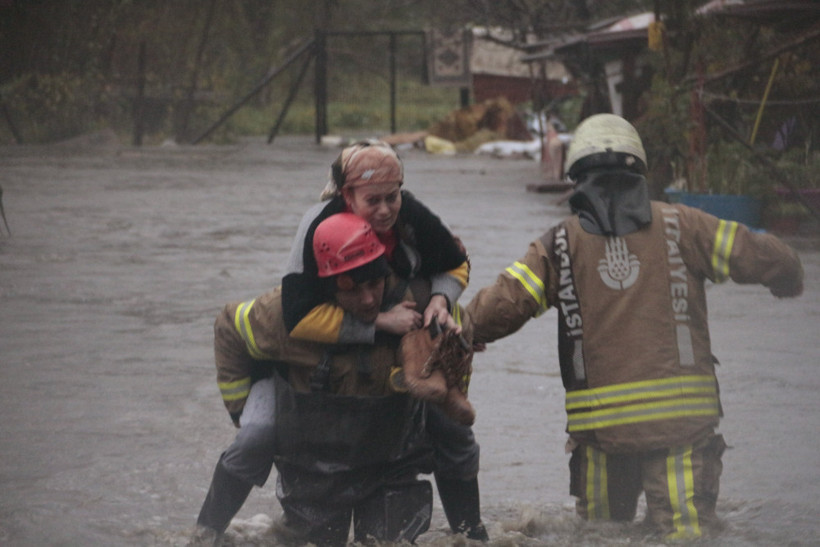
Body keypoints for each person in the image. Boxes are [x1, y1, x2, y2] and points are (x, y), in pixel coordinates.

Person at [462, 113, 804, 540]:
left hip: (601, 434)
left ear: (576, 177)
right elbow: (763, 256)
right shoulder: (686, 225)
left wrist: (456, 331)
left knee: (602, 535)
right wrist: (790, 277)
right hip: (681, 429)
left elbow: (501, 305)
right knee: (686, 536)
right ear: (639, 171)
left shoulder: (558, 245)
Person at [192, 213, 445, 546]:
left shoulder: (417, 305)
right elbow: (229, 327)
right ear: (328, 288)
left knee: (453, 434)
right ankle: (205, 533)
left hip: (389, 455)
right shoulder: (285, 316)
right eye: (354, 291)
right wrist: (239, 408)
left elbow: (465, 329)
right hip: (311, 454)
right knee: (256, 439)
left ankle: (473, 532)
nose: (369, 300)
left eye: (374, 284)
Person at [281, 140, 488, 540]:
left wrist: (442, 301)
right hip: (350, 355)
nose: (384, 210)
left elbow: (457, 262)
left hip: (422, 345)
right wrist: (377, 322)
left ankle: (470, 531)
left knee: (454, 435)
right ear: (347, 195)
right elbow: (297, 317)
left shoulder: (410, 214)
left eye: (391, 198)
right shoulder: (316, 228)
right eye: (371, 200)